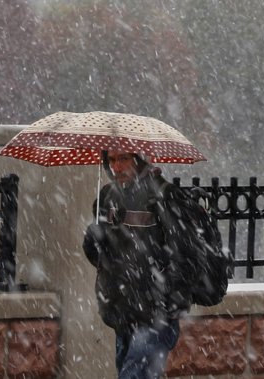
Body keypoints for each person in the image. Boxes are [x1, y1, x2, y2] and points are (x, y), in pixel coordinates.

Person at [83, 150, 183, 379]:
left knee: (133, 375)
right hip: (123, 309)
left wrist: (166, 297)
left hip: (155, 313)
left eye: (123, 159)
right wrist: (94, 238)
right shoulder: (108, 196)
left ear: (139, 159)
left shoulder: (163, 195)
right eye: (111, 160)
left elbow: (183, 254)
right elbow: (100, 257)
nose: (116, 167)